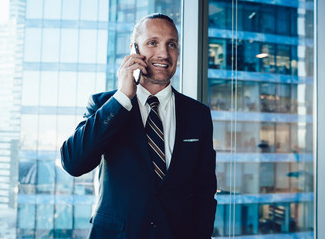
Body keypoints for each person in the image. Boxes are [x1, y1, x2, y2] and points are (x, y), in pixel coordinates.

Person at [60, 13, 217, 239]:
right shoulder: (104, 105)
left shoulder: (198, 114)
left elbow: (205, 191)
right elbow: (73, 162)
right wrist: (122, 97)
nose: (163, 53)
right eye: (152, 43)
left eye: (171, 45)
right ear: (134, 49)